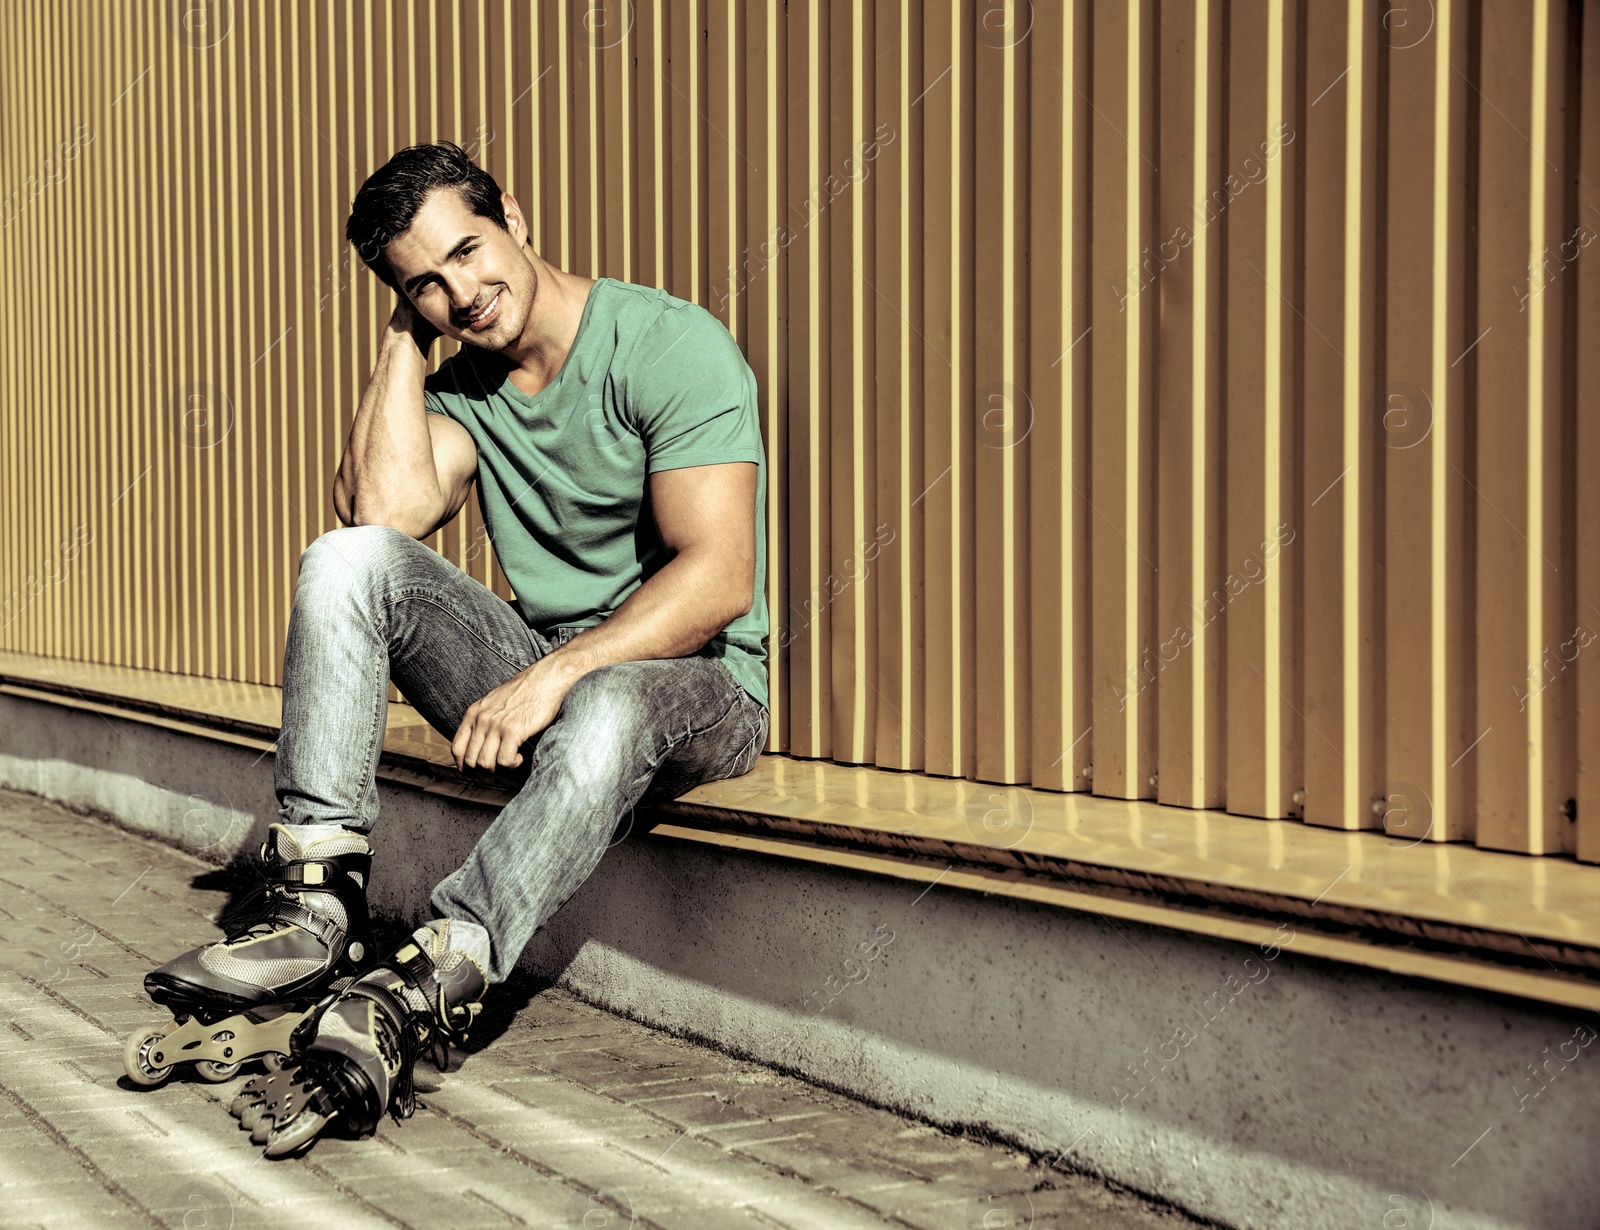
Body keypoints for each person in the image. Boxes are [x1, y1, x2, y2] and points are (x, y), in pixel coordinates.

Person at [127, 141, 770, 1157]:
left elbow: (715, 580)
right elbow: (380, 517)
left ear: (515, 215)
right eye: (424, 283)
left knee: (605, 702)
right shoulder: (465, 382)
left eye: (469, 251)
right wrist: (401, 342)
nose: (461, 292)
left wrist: (554, 676)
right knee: (347, 562)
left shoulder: (663, 343)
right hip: (544, 679)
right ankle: (312, 900)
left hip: (695, 690)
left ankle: (431, 979)